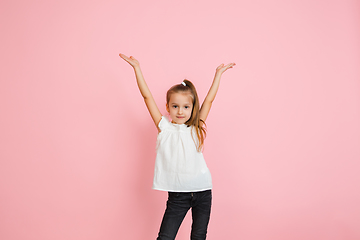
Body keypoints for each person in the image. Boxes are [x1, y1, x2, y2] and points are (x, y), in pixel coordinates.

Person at [119, 53, 235, 240]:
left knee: (199, 236)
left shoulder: (196, 127)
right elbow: (147, 97)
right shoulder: (164, 127)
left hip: (203, 191)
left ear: (192, 108)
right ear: (168, 107)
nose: (180, 111)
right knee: (165, 237)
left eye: (186, 107)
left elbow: (209, 101)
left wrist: (218, 75)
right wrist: (137, 69)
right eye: (175, 106)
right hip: (178, 195)